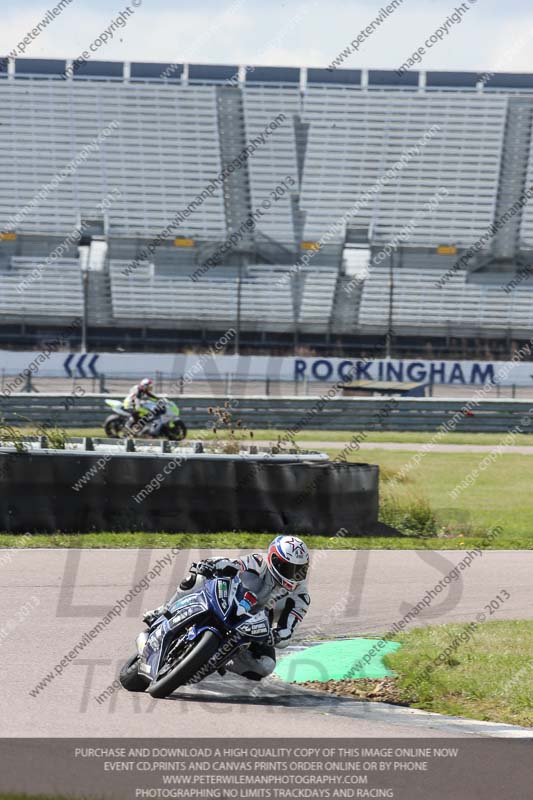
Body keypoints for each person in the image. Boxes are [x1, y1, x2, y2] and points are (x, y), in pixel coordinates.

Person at [143, 535, 311, 681]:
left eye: (299, 569)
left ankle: (222, 660)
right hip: (234, 599)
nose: (293, 574)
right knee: (197, 578)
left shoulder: (301, 596)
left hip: (258, 626)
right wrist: (211, 565)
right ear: (274, 559)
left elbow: (288, 630)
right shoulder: (259, 561)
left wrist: (276, 637)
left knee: (266, 666)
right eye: (288, 568)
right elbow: (232, 564)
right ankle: (166, 610)